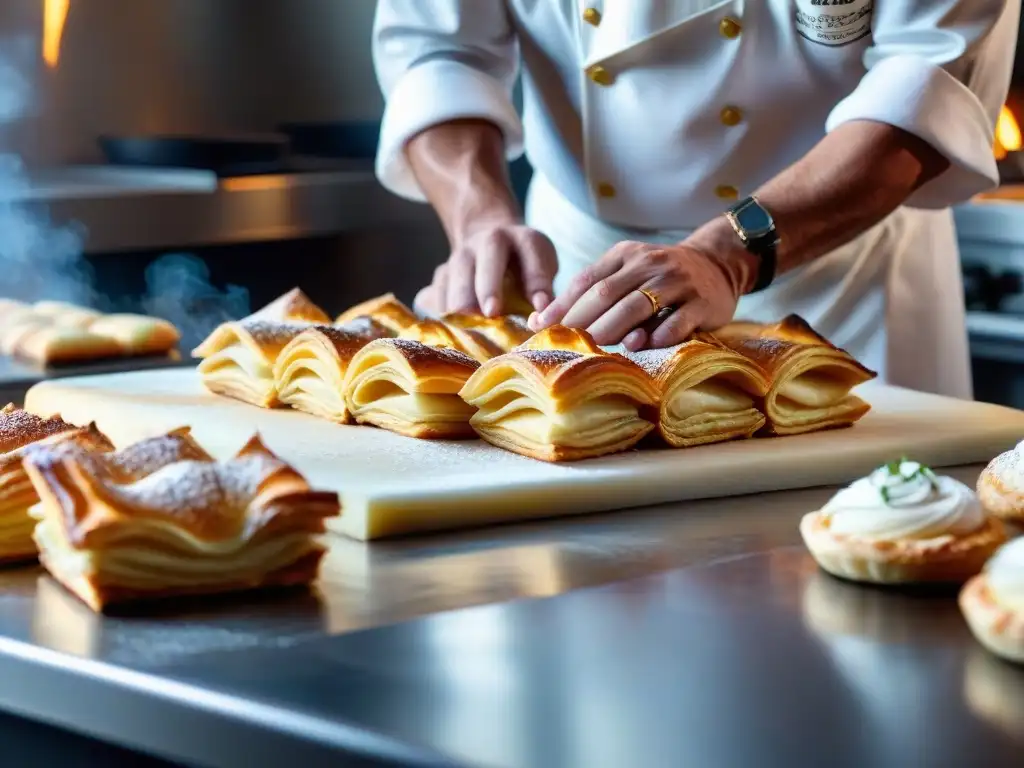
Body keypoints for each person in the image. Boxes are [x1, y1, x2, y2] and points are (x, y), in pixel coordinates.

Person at [371, 0, 1020, 399]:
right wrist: (480, 218)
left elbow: (926, 91)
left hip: (839, 283)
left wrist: (724, 256)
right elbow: (439, 48)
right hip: (575, 284)